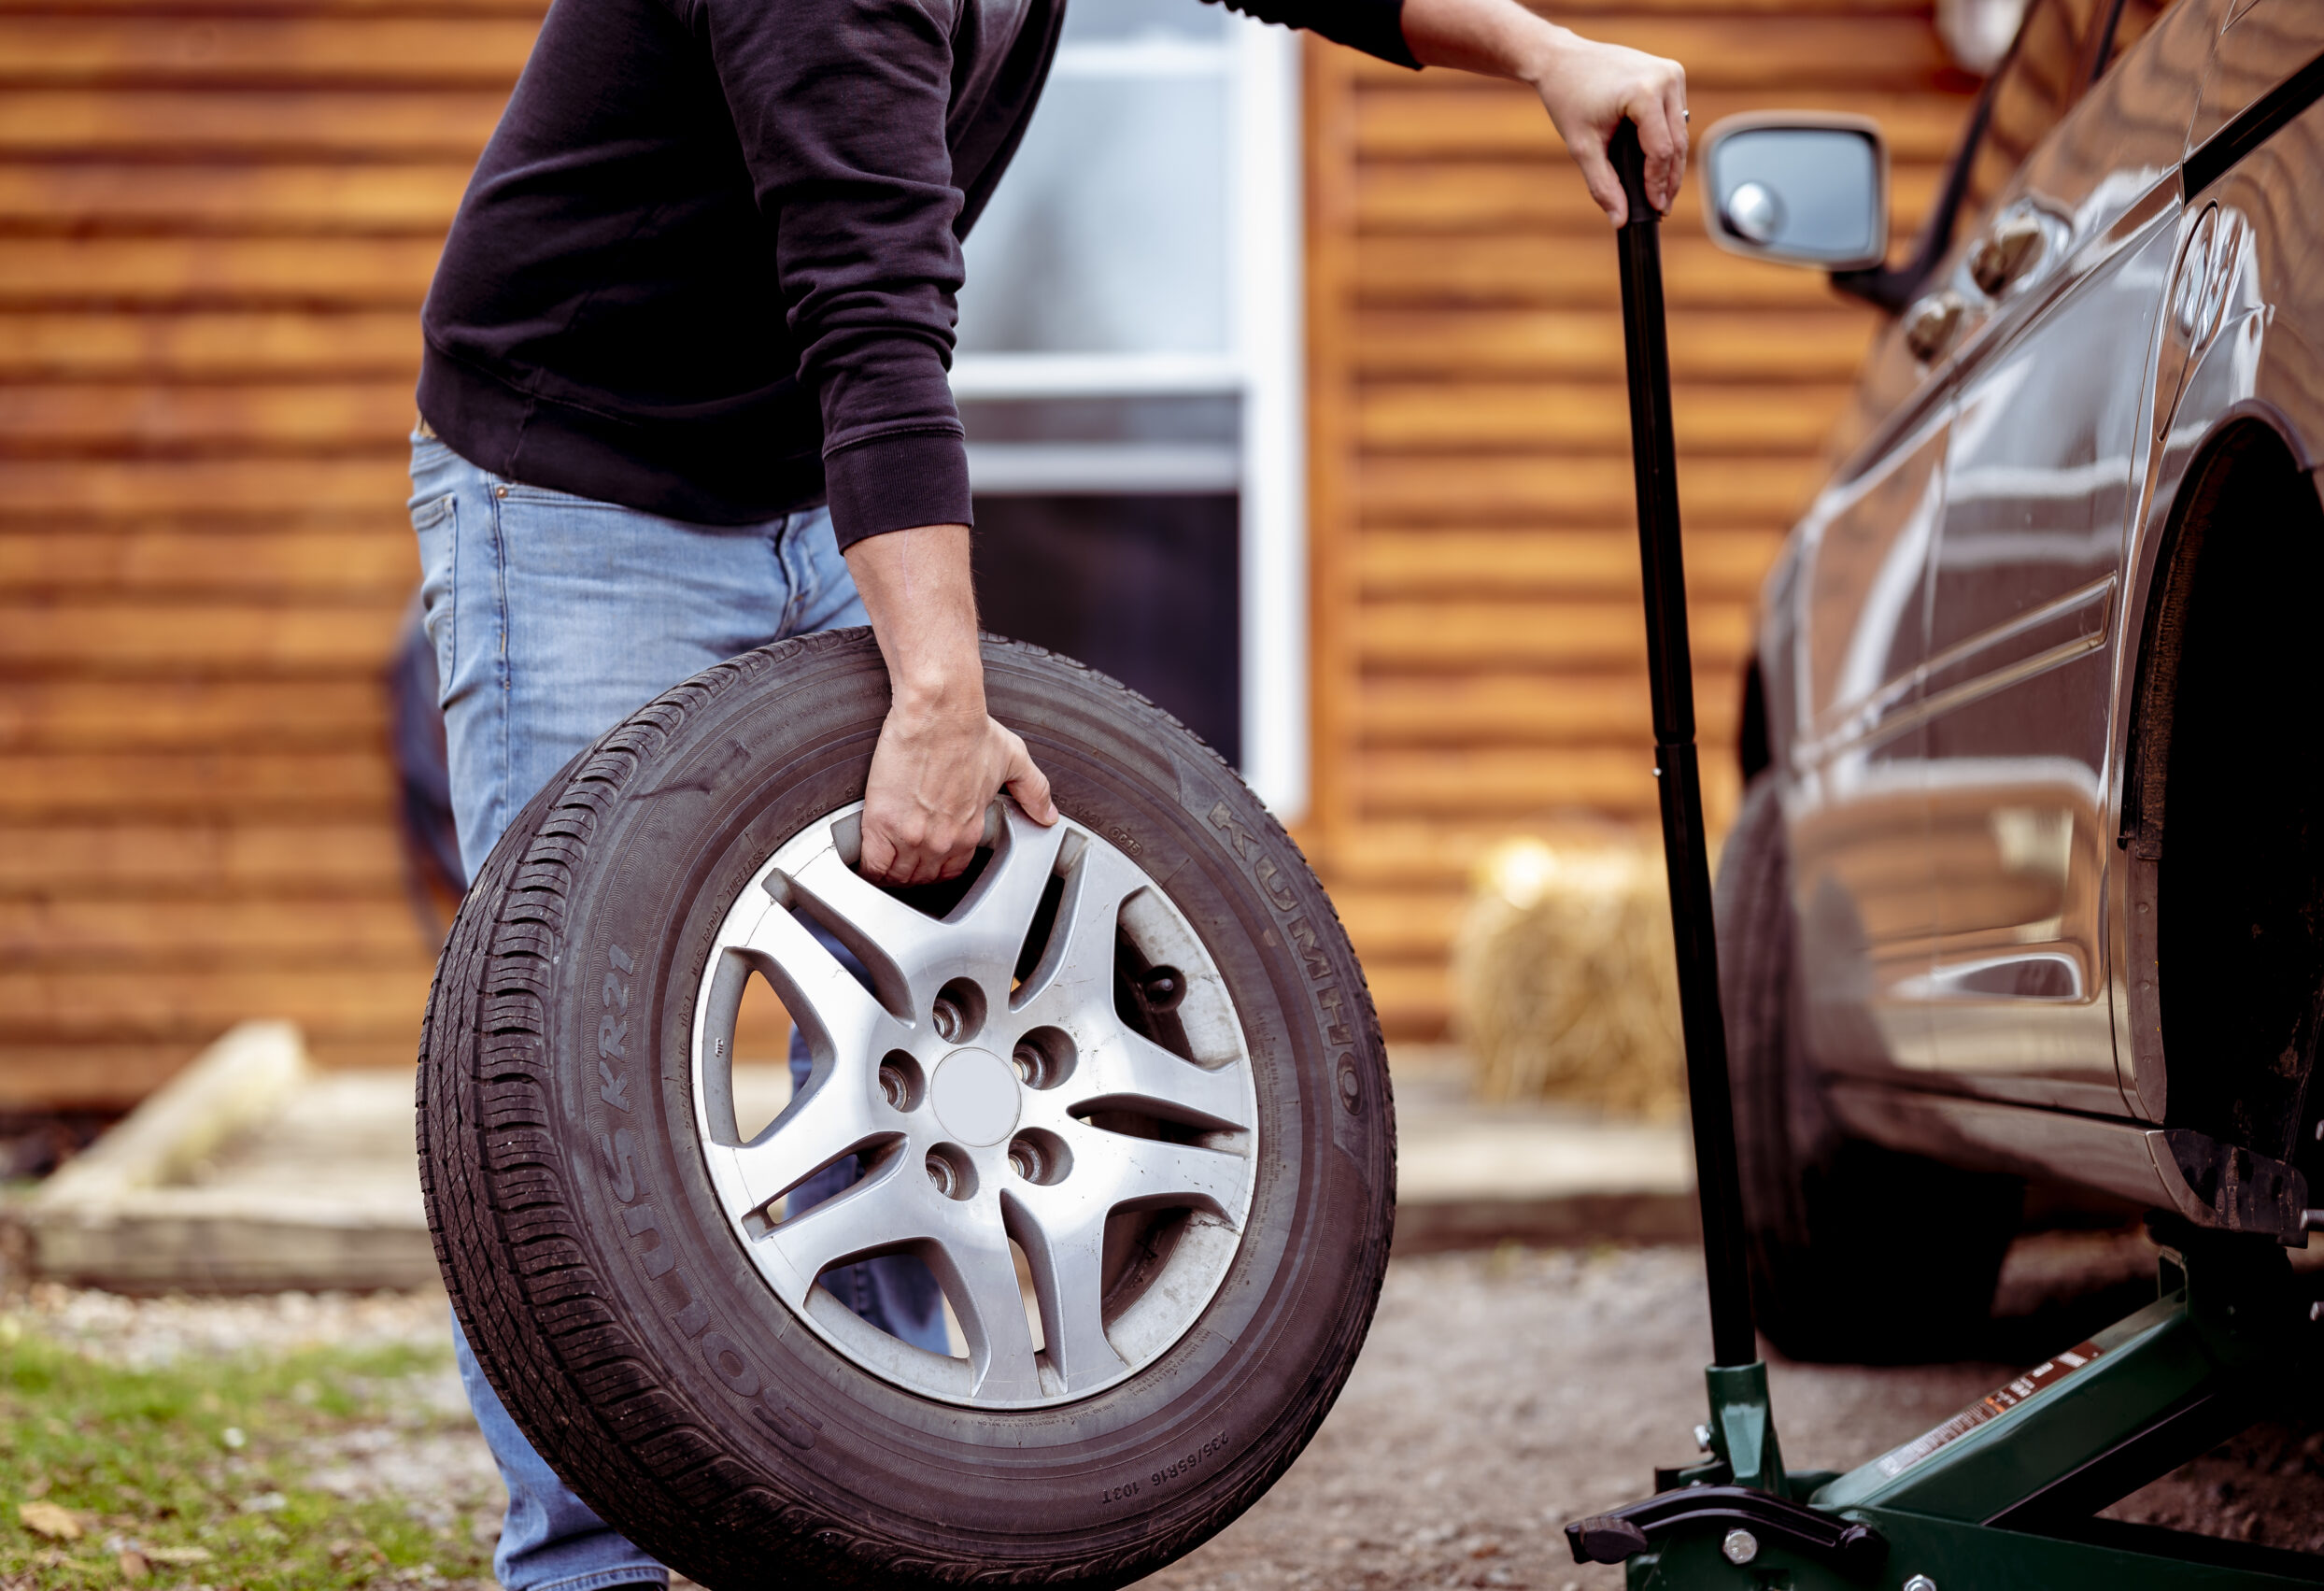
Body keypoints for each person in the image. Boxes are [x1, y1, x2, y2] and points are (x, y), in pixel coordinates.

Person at [407, 0, 1685, 1580]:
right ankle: (582, 1569)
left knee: (882, 1032)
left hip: (812, 473)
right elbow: (874, 319)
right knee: (554, 1082)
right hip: (587, 481)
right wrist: (939, 694)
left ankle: (857, 1529)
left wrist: (1540, 51)